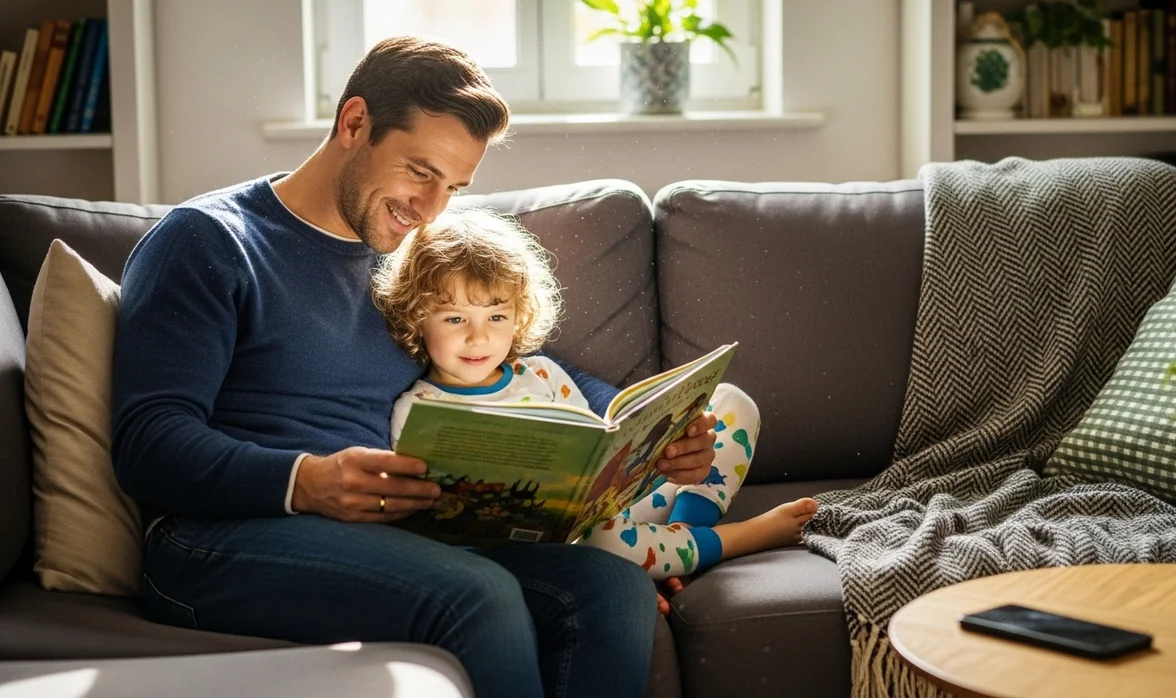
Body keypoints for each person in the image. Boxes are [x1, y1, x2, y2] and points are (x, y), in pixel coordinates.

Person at [111, 38, 720, 698]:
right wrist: (306, 481)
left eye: (454, 187)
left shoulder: (406, 257)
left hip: (389, 536)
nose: (431, 210)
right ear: (354, 124)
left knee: (611, 586)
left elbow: (511, 363)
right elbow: (149, 442)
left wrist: (640, 433)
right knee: (476, 596)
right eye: (421, 173)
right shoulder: (209, 240)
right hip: (214, 544)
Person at [374, 209, 818, 596]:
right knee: (607, 544)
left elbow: (595, 449)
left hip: (618, 513)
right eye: (455, 318)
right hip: (567, 544)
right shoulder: (417, 409)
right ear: (417, 315)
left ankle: (687, 536)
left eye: (496, 316)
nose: (479, 337)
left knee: (731, 402)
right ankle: (731, 540)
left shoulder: (541, 374)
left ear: (518, 315)